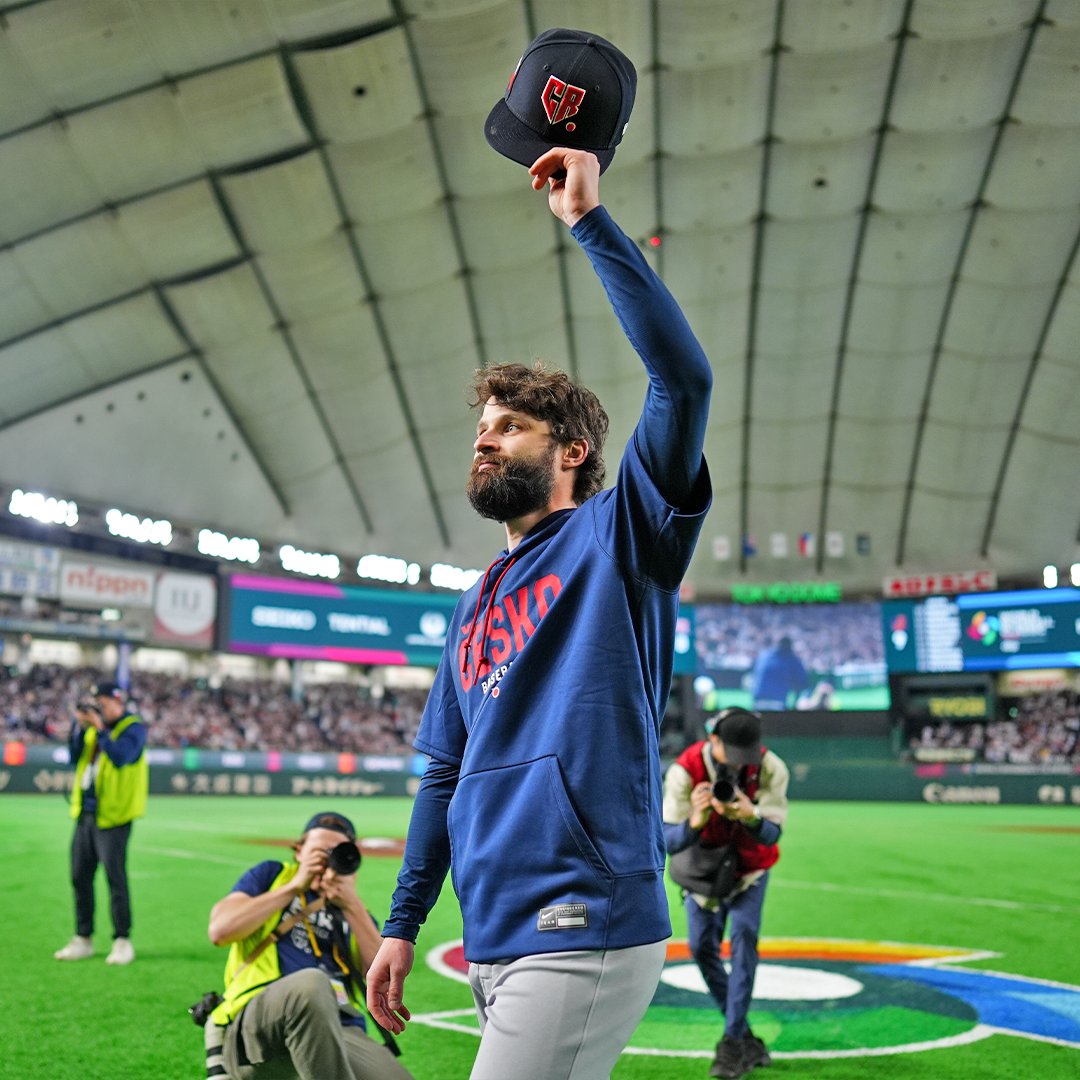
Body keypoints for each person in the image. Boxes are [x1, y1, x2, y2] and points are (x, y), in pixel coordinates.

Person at [365, 52, 713, 1080]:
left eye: (509, 425)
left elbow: (682, 382)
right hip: (498, 928)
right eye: (482, 424)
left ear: (569, 453)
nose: (485, 438)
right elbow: (442, 771)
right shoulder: (473, 603)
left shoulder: (624, 536)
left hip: (587, 919)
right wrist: (400, 924)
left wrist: (589, 222)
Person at [205, 811, 413, 1080]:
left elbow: (383, 979)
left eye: (335, 854)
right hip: (262, 1017)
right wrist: (294, 887)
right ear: (299, 851)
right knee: (312, 984)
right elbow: (220, 930)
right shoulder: (273, 875)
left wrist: (353, 907)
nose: (326, 861)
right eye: (318, 852)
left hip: (342, 1026)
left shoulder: (355, 912)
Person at [663, 707, 790, 1079]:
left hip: (750, 871)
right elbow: (668, 841)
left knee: (745, 939)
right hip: (701, 874)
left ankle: (732, 1043)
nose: (739, 764)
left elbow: (773, 834)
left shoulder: (771, 767)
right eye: (731, 754)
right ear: (712, 740)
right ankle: (746, 1036)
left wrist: (751, 815)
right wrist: (695, 822)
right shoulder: (685, 770)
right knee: (702, 949)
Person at [55, 679, 148, 965]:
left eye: (103, 705)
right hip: (86, 814)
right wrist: (78, 727)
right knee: (79, 875)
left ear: (117, 702)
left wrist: (99, 728)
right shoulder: (94, 729)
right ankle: (83, 938)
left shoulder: (133, 728)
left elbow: (122, 757)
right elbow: (73, 756)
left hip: (115, 817)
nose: (99, 710)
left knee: (114, 878)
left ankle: (122, 939)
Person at [750, 635, 809, 710]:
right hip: (777, 703)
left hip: (757, 702)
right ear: (789, 646)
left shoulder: (764, 655)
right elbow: (803, 682)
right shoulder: (790, 658)